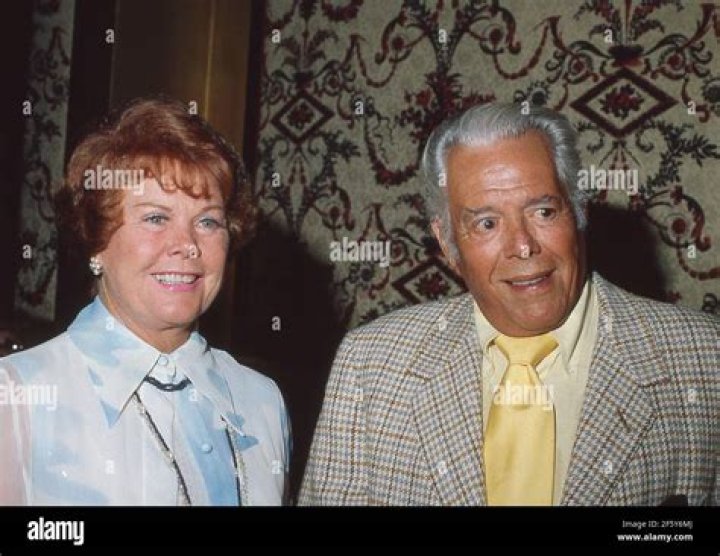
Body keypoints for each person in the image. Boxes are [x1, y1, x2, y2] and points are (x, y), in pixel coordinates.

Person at [300, 102, 719, 506]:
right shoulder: (370, 366)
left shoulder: (702, 356)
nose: (522, 246)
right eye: (487, 223)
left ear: (577, 212)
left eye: (543, 212)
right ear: (447, 243)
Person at [0, 98, 290, 506]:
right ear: (96, 241)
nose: (187, 244)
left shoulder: (262, 400)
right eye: (156, 218)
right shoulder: (18, 396)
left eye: (208, 221)